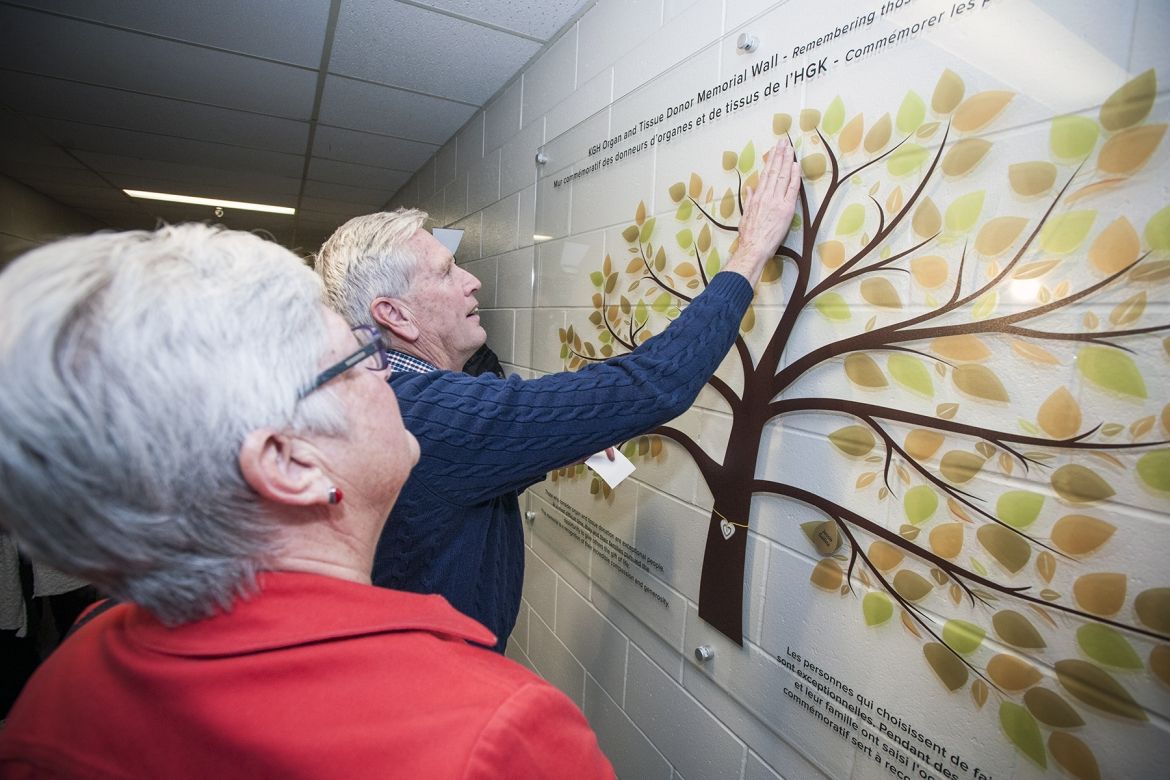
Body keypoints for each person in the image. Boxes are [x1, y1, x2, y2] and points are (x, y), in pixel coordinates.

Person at [0, 224, 614, 779]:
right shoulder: (499, 734)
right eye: (354, 363)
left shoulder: (66, 682)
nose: (386, 376)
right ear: (289, 465)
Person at [315, 138, 802, 651]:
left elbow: (449, 489)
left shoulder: (382, 393)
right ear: (393, 315)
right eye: (445, 271)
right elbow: (655, 382)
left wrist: (560, 438)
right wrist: (750, 253)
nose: (473, 281)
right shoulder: (420, 414)